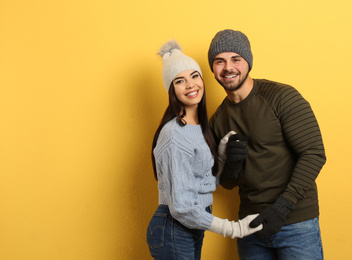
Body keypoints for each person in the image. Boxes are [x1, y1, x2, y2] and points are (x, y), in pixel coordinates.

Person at [207, 29, 327, 259]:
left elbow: (314, 154)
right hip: (250, 227)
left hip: (295, 224)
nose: (228, 67)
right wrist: (231, 164)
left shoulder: (281, 97)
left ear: (248, 62)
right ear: (213, 69)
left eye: (236, 59)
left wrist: (281, 208)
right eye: (219, 61)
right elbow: (228, 183)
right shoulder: (218, 119)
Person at [146, 40, 262, 260]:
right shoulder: (173, 134)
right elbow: (181, 207)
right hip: (174, 227)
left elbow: (202, 185)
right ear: (171, 90)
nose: (190, 85)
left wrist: (221, 155)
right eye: (180, 81)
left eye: (195, 76)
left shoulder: (200, 128)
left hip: (191, 225)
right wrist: (233, 229)